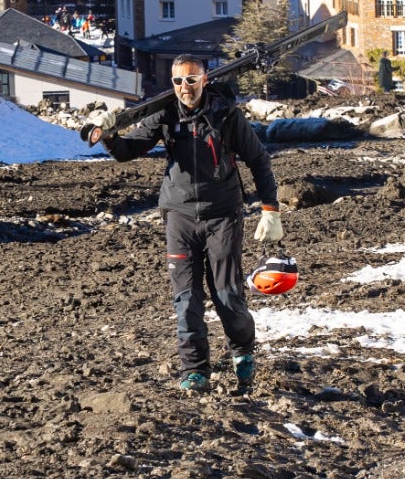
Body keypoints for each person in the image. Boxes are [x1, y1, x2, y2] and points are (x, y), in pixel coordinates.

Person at [87, 56, 283, 393]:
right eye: (178, 82)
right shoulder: (165, 114)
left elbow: (258, 160)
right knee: (186, 297)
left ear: (205, 80)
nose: (184, 88)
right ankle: (195, 370)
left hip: (223, 212)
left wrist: (270, 210)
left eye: (191, 80)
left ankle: (242, 352)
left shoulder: (225, 114)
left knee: (227, 293)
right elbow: (127, 150)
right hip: (178, 215)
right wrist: (108, 133)